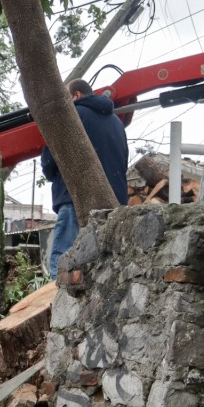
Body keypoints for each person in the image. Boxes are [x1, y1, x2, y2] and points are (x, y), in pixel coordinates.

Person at [41, 79, 129, 276]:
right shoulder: (117, 123)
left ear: (77, 95)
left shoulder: (72, 116)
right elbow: (123, 162)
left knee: (63, 262)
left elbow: (50, 161)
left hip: (75, 199)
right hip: (113, 204)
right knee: (100, 267)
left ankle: (56, 306)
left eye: (66, 97)